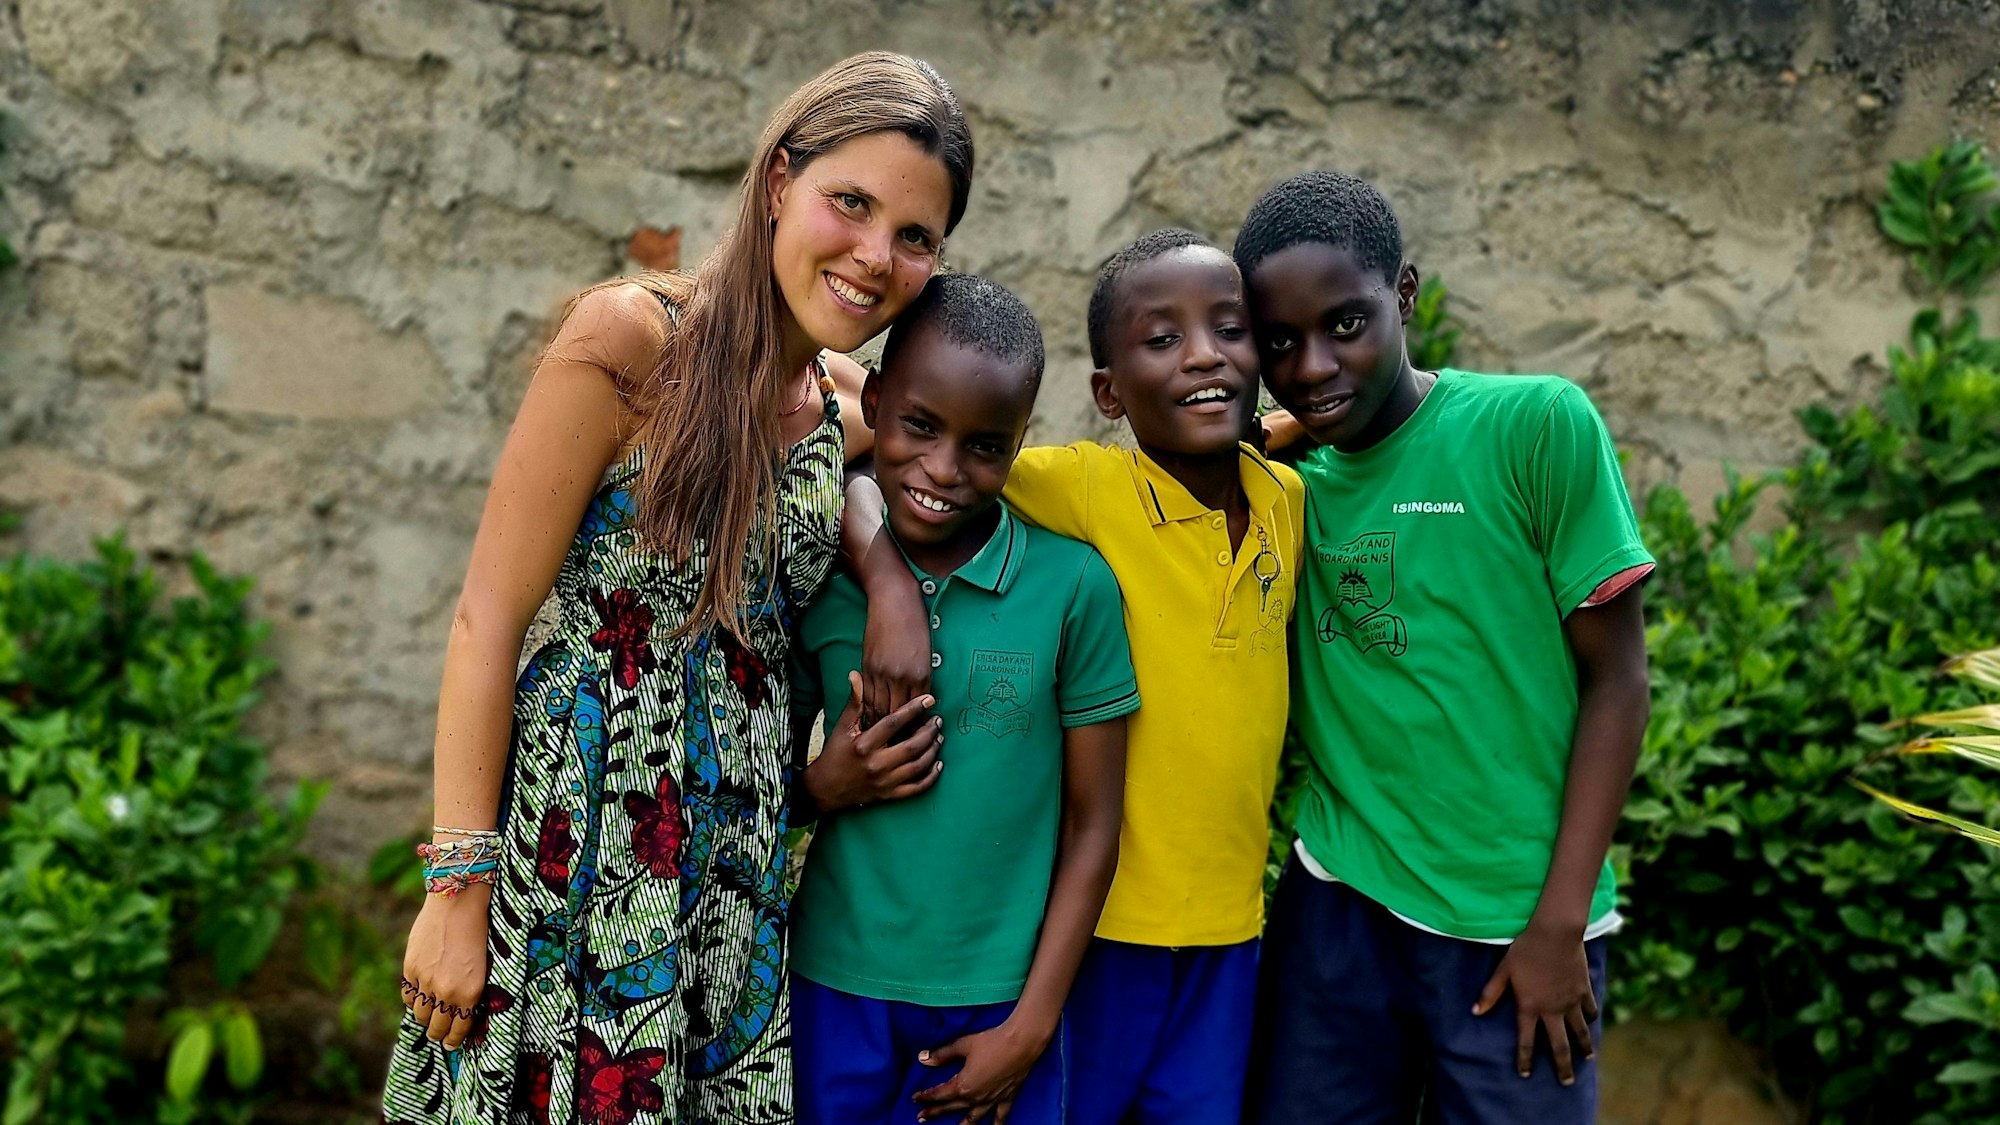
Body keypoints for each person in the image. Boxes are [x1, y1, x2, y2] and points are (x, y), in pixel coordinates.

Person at [383, 52, 974, 1125]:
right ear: (777, 183)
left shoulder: (849, 409)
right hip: (574, 864)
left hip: (731, 895)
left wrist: (880, 574)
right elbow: (485, 617)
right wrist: (455, 895)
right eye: (850, 202)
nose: (874, 254)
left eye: (915, 235)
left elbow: (988, 467)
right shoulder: (633, 340)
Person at [1238, 170, 1655, 1125]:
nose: (1312, 365)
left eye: (1346, 324)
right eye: (1279, 343)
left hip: (1520, 927)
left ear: (1407, 294)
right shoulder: (1282, 487)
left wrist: (1557, 922)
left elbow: (1619, 683)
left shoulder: (1534, 426)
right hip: (1341, 905)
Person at [790, 273, 1137, 1125]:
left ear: (1021, 442)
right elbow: (757, 793)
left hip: (1000, 998)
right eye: (918, 425)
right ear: (875, 401)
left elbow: (1094, 823)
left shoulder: (1073, 588)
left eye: (987, 445)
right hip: (836, 984)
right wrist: (823, 786)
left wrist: (1032, 1021)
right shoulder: (821, 580)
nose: (944, 468)